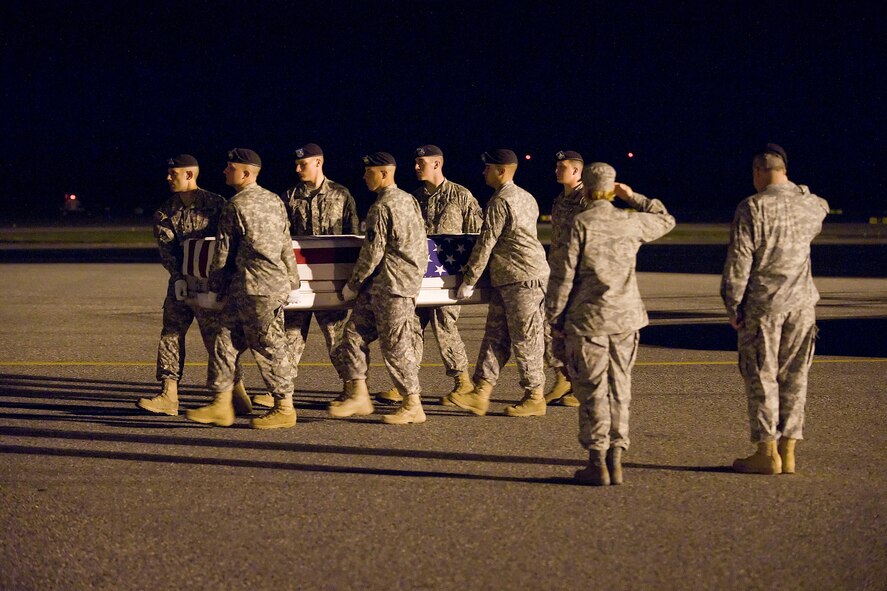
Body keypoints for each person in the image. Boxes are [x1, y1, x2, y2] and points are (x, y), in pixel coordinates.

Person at [547, 162, 675, 486]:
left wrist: (554, 316)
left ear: (587, 188)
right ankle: (617, 459)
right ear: (613, 187)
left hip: (589, 321)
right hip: (626, 319)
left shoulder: (581, 223)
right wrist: (633, 198)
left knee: (592, 391)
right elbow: (666, 220)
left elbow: (563, 277)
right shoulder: (629, 221)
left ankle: (597, 462)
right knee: (620, 389)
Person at [721, 143, 828, 475]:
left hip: (765, 306)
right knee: (795, 378)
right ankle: (788, 450)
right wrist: (800, 190)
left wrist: (733, 303)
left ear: (757, 172)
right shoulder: (809, 205)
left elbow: (739, 262)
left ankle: (767, 451)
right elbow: (822, 206)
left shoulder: (752, 208)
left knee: (761, 377)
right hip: (802, 305)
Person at [186, 148, 300, 429]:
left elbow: (223, 253)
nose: (225, 171)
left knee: (269, 347)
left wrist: (213, 287)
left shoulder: (235, 205)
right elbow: (286, 243)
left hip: (256, 289)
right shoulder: (274, 200)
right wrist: (293, 280)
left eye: (230, 167)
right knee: (224, 341)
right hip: (259, 288)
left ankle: (284, 407)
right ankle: (222, 405)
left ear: (246, 173)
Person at [137, 154, 252, 417]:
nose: (168, 178)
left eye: (173, 173)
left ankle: (237, 392)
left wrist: (224, 282)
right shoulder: (165, 212)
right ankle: (169, 395)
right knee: (171, 334)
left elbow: (230, 243)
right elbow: (168, 251)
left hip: (213, 284)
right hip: (182, 282)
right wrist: (177, 277)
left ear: (189, 174)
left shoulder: (217, 204)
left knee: (218, 340)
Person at [375, 144, 483, 406]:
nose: (415, 167)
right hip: (418, 275)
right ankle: (405, 385)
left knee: (445, 325)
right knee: (411, 327)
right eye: (415, 162)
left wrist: (470, 277)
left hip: (448, 275)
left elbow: (476, 235)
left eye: (420, 163)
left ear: (436, 164)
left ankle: (462, 382)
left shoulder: (461, 196)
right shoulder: (413, 199)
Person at [448, 149, 549, 417]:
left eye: (488, 168)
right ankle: (481, 392)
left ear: (501, 171)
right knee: (496, 336)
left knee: (526, 338)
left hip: (522, 279)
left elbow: (486, 244)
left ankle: (535, 395)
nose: (484, 172)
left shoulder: (500, 201)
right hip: (512, 278)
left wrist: (469, 280)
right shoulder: (527, 198)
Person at [330, 151, 428, 424]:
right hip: (389, 286)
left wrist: (353, 285)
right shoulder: (409, 200)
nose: (364, 176)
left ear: (384, 173)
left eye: (369, 171)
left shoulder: (382, 207)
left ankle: (412, 404)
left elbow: (372, 253)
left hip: (392, 287)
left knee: (396, 346)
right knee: (353, 335)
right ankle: (360, 395)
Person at [267, 143, 360, 409]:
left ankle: (351, 389)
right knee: (289, 337)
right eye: (296, 164)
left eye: (303, 164)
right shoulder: (288, 197)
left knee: (338, 337)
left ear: (318, 163)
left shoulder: (341, 195)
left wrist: (351, 283)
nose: (297, 169)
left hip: (332, 282)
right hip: (297, 281)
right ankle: (280, 392)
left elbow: (352, 241)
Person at [543, 150, 588, 408]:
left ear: (576, 171)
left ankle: (581, 387)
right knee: (554, 331)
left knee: (577, 333)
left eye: (563, 167)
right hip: (558, 273)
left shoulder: (586, 199)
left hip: (578, 276)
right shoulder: (560, 200)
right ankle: (563, 379)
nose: (557, 170)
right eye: (557, 166)